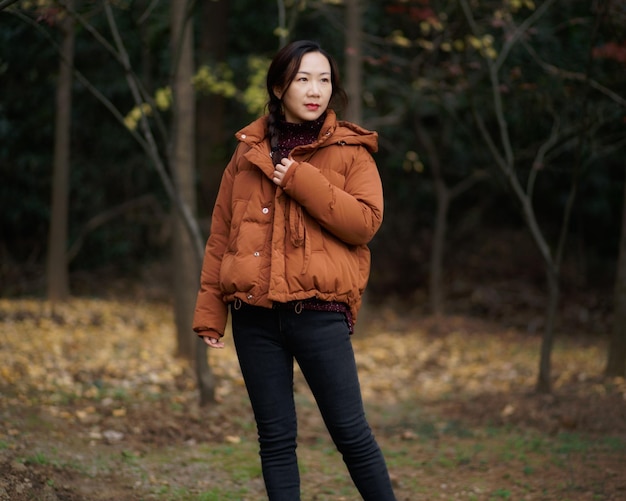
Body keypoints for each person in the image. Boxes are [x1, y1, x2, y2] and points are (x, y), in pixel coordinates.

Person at [193, 40, 397, 501]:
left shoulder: (351, 151)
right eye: (303, 78)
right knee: (276, 439)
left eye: (324, 79)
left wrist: (302, 180)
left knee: (351, 434)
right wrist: (210, 312)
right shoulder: (246, 154)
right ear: (279, 86)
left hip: (320, 312)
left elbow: (365, 224)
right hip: (254, 315)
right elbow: (222, 235)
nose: (315, 90)